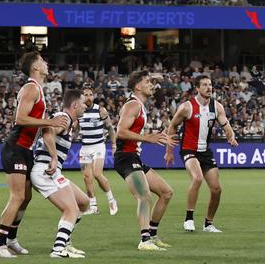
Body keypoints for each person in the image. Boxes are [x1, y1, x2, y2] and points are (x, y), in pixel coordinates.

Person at [0, 51, 71, 259]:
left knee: (26, 198)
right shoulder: (30, 88)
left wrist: (54, 156)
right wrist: (50, 122)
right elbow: (20, 118)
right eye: (42, 61)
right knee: (17, 196)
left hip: (25, 150)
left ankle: (11, 239)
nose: (46, 63)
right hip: (16, 148)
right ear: (35, 67)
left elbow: (44, 129)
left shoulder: (38, 90)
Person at [165, 74, 239, 233]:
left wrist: (231, 137)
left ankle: (208, 224)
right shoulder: (186, 107)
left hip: (205, 151)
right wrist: (169, 151)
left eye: (210, 84)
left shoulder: (216, 106)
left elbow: (226, 125)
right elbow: (172, 128)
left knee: (216, 189)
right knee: (197, 178)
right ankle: (189, 219)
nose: (209, 87)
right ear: (197, 88)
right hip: (188, 149)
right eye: (204, 85)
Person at [115, 70, 176, 251]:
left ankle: (152, 235)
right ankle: (144, 240)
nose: (151, 84)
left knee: (166, 192)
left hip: (134, 157)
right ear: (137, 86)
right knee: (144, 196)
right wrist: (148, 138)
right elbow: (120, 132)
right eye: (147, 81)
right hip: (126, 157)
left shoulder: (139, 105)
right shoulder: (132, 105)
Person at [30, 89, 92, 259]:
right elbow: (48, 130)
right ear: (74, 105)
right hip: (45, 170)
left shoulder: (68, 121)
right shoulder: (64, 118)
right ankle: (58, 249)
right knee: (71, 208)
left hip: (49, 171)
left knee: (84, 202)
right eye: (83, 103)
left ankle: (65, 242)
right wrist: (54, 157)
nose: (85, 106)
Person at [77, 86, 119, 216]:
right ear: (82, 97)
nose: (88, 97)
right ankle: (93, 206)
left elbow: (110, 129)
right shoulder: (78, 111)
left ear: (93, 96)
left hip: (98, 146)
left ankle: (111, 200)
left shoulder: (100, 110)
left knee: (97, 173)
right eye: (86, 94)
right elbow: (74, 127)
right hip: (85, 147)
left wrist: (113, 145)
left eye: (90, 94)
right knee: (86, 177)